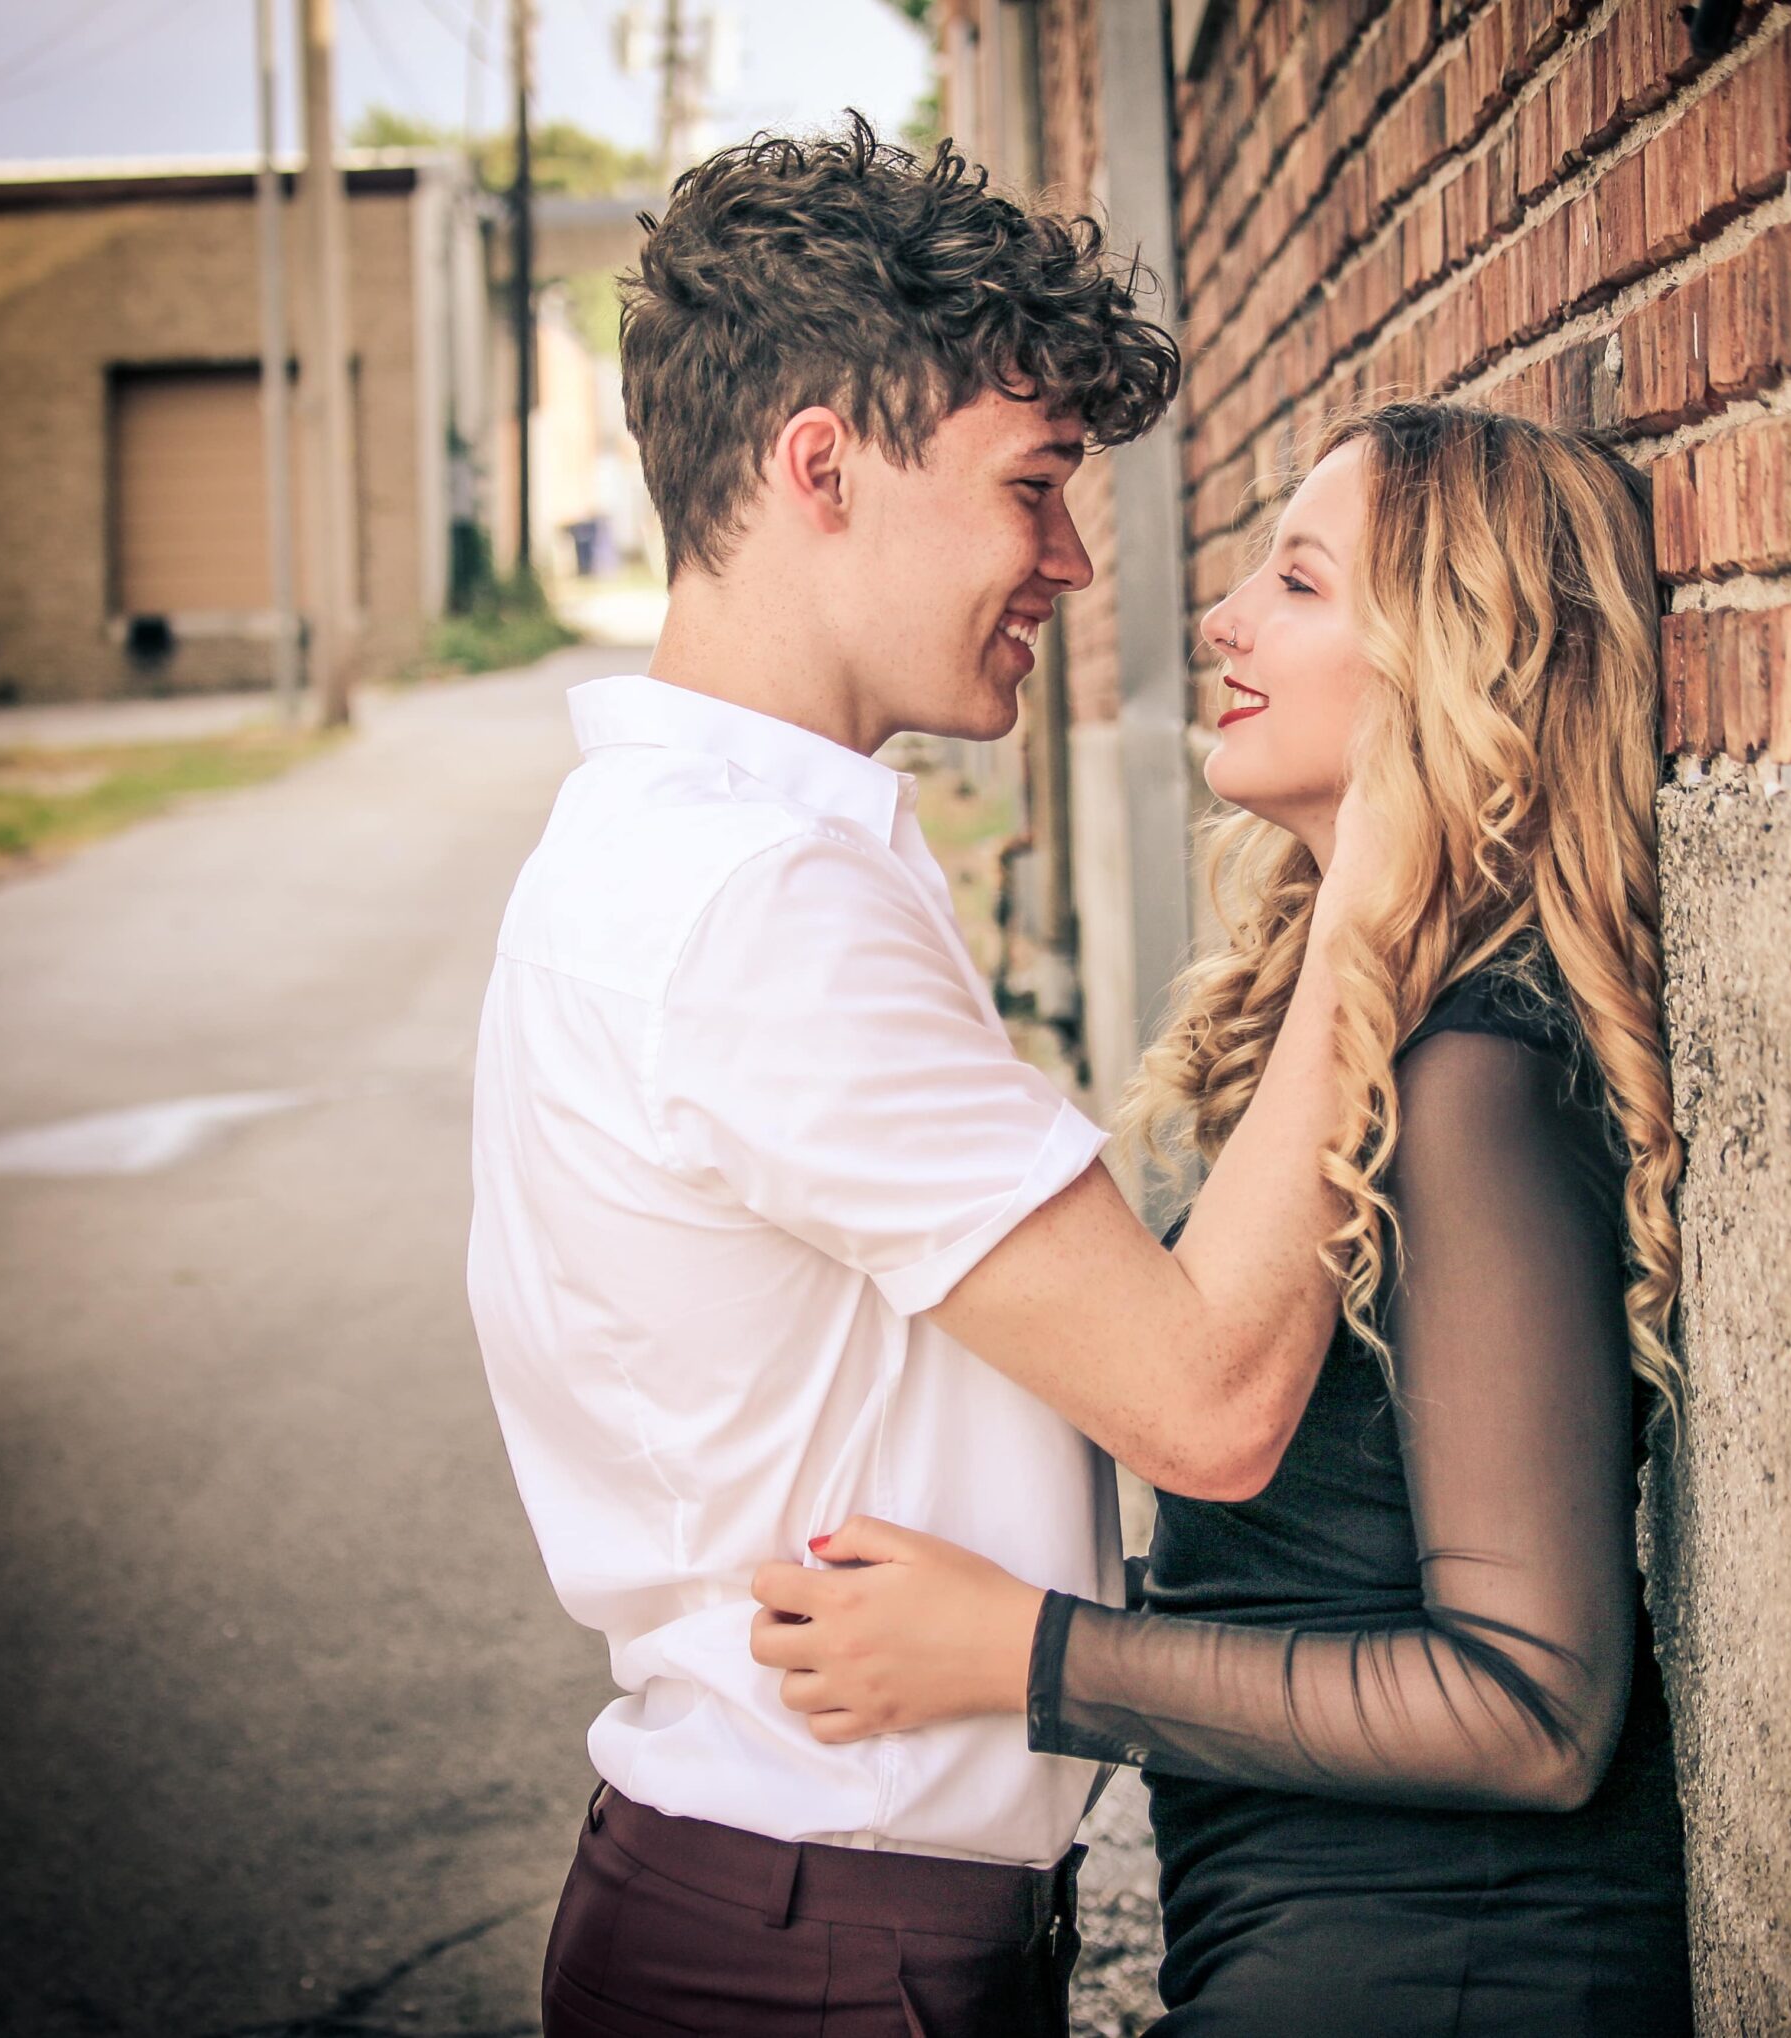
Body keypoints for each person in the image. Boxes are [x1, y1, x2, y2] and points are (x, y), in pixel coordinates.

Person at [466, 116, 1369, 2038]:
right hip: (819, 1955)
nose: (1070, 561)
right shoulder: (759, 904)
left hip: (779, 1905)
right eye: (1033, 486)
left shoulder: (673, 846)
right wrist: (1389, 861)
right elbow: (1205, 1401)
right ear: (822, 468)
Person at [752, 399, 1697, 2035]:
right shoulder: (1379, 1035)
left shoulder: (1470, 1077)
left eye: (1301, 583)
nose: (1223, 619)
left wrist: (1030, 1653)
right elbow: (1319, 1570)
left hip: (1454, 1967)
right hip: (1327, 1939)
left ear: (1452, 665)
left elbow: (1535, 1705)